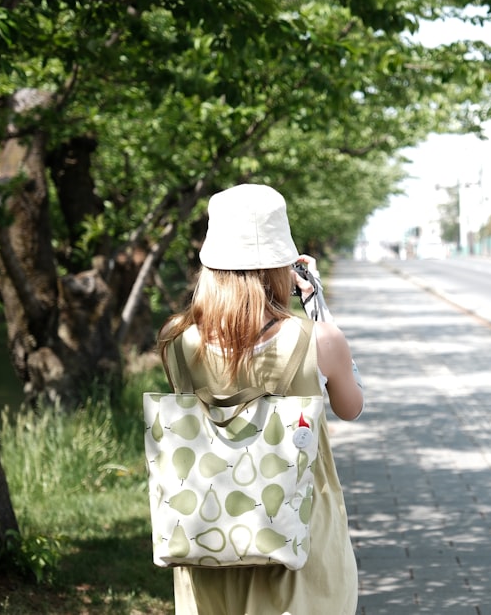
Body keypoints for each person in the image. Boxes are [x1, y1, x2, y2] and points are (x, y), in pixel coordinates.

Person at [156, 183, 364, 615]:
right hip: (299, 546)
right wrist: (316, 306)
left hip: (207, 544)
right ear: (283, 265)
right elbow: (351, 406)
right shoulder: (317, 340)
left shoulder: (177, 342)